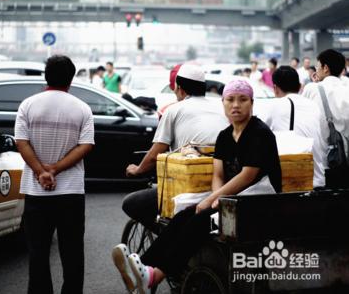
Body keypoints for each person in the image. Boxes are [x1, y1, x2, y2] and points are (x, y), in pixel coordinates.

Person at [112, 80, 282, 294]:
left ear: (252, 103)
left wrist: (212, 200)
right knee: (184, 216)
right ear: (223, 103)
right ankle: (144, 267)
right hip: (231, 201)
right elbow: (218, 174)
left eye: (242, 100)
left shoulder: (260, 133)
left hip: (259, 202)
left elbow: (248, 176)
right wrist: (216, 198)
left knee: (199, 221)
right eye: (230, 100)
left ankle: (156, 275)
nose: (236, 105)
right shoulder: (224, 136)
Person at [120, 65, 228, 268]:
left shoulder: (174, 110)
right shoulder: (220, 107)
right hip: (223, 185)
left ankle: (170, 244)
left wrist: (137, 169)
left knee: (131, 203)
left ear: (179, 88)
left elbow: (154, 155)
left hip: (191, 188)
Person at [15, 55, 95, 294]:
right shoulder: (82, 108)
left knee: (37, 254)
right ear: (71, 79)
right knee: (72, 254)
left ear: (45, 76)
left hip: (36, 192)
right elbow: (86, 145)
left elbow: (22, 142)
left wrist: (41, 172)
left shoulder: (28, 105)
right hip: (70, 192)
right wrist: (55, 169)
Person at [259, 66, 327, 188]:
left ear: (275, 88)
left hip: (290, 183)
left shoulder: (273, 106)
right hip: (318, 180)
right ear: (300, 86)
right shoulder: (313, 106)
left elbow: (256, 136)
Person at [302, 49, 349, 188]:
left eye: (317, 67)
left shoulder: (312, 89)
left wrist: (315, 84)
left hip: (324, 165)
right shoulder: (346, 88)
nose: (316, 70)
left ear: (325, 68)